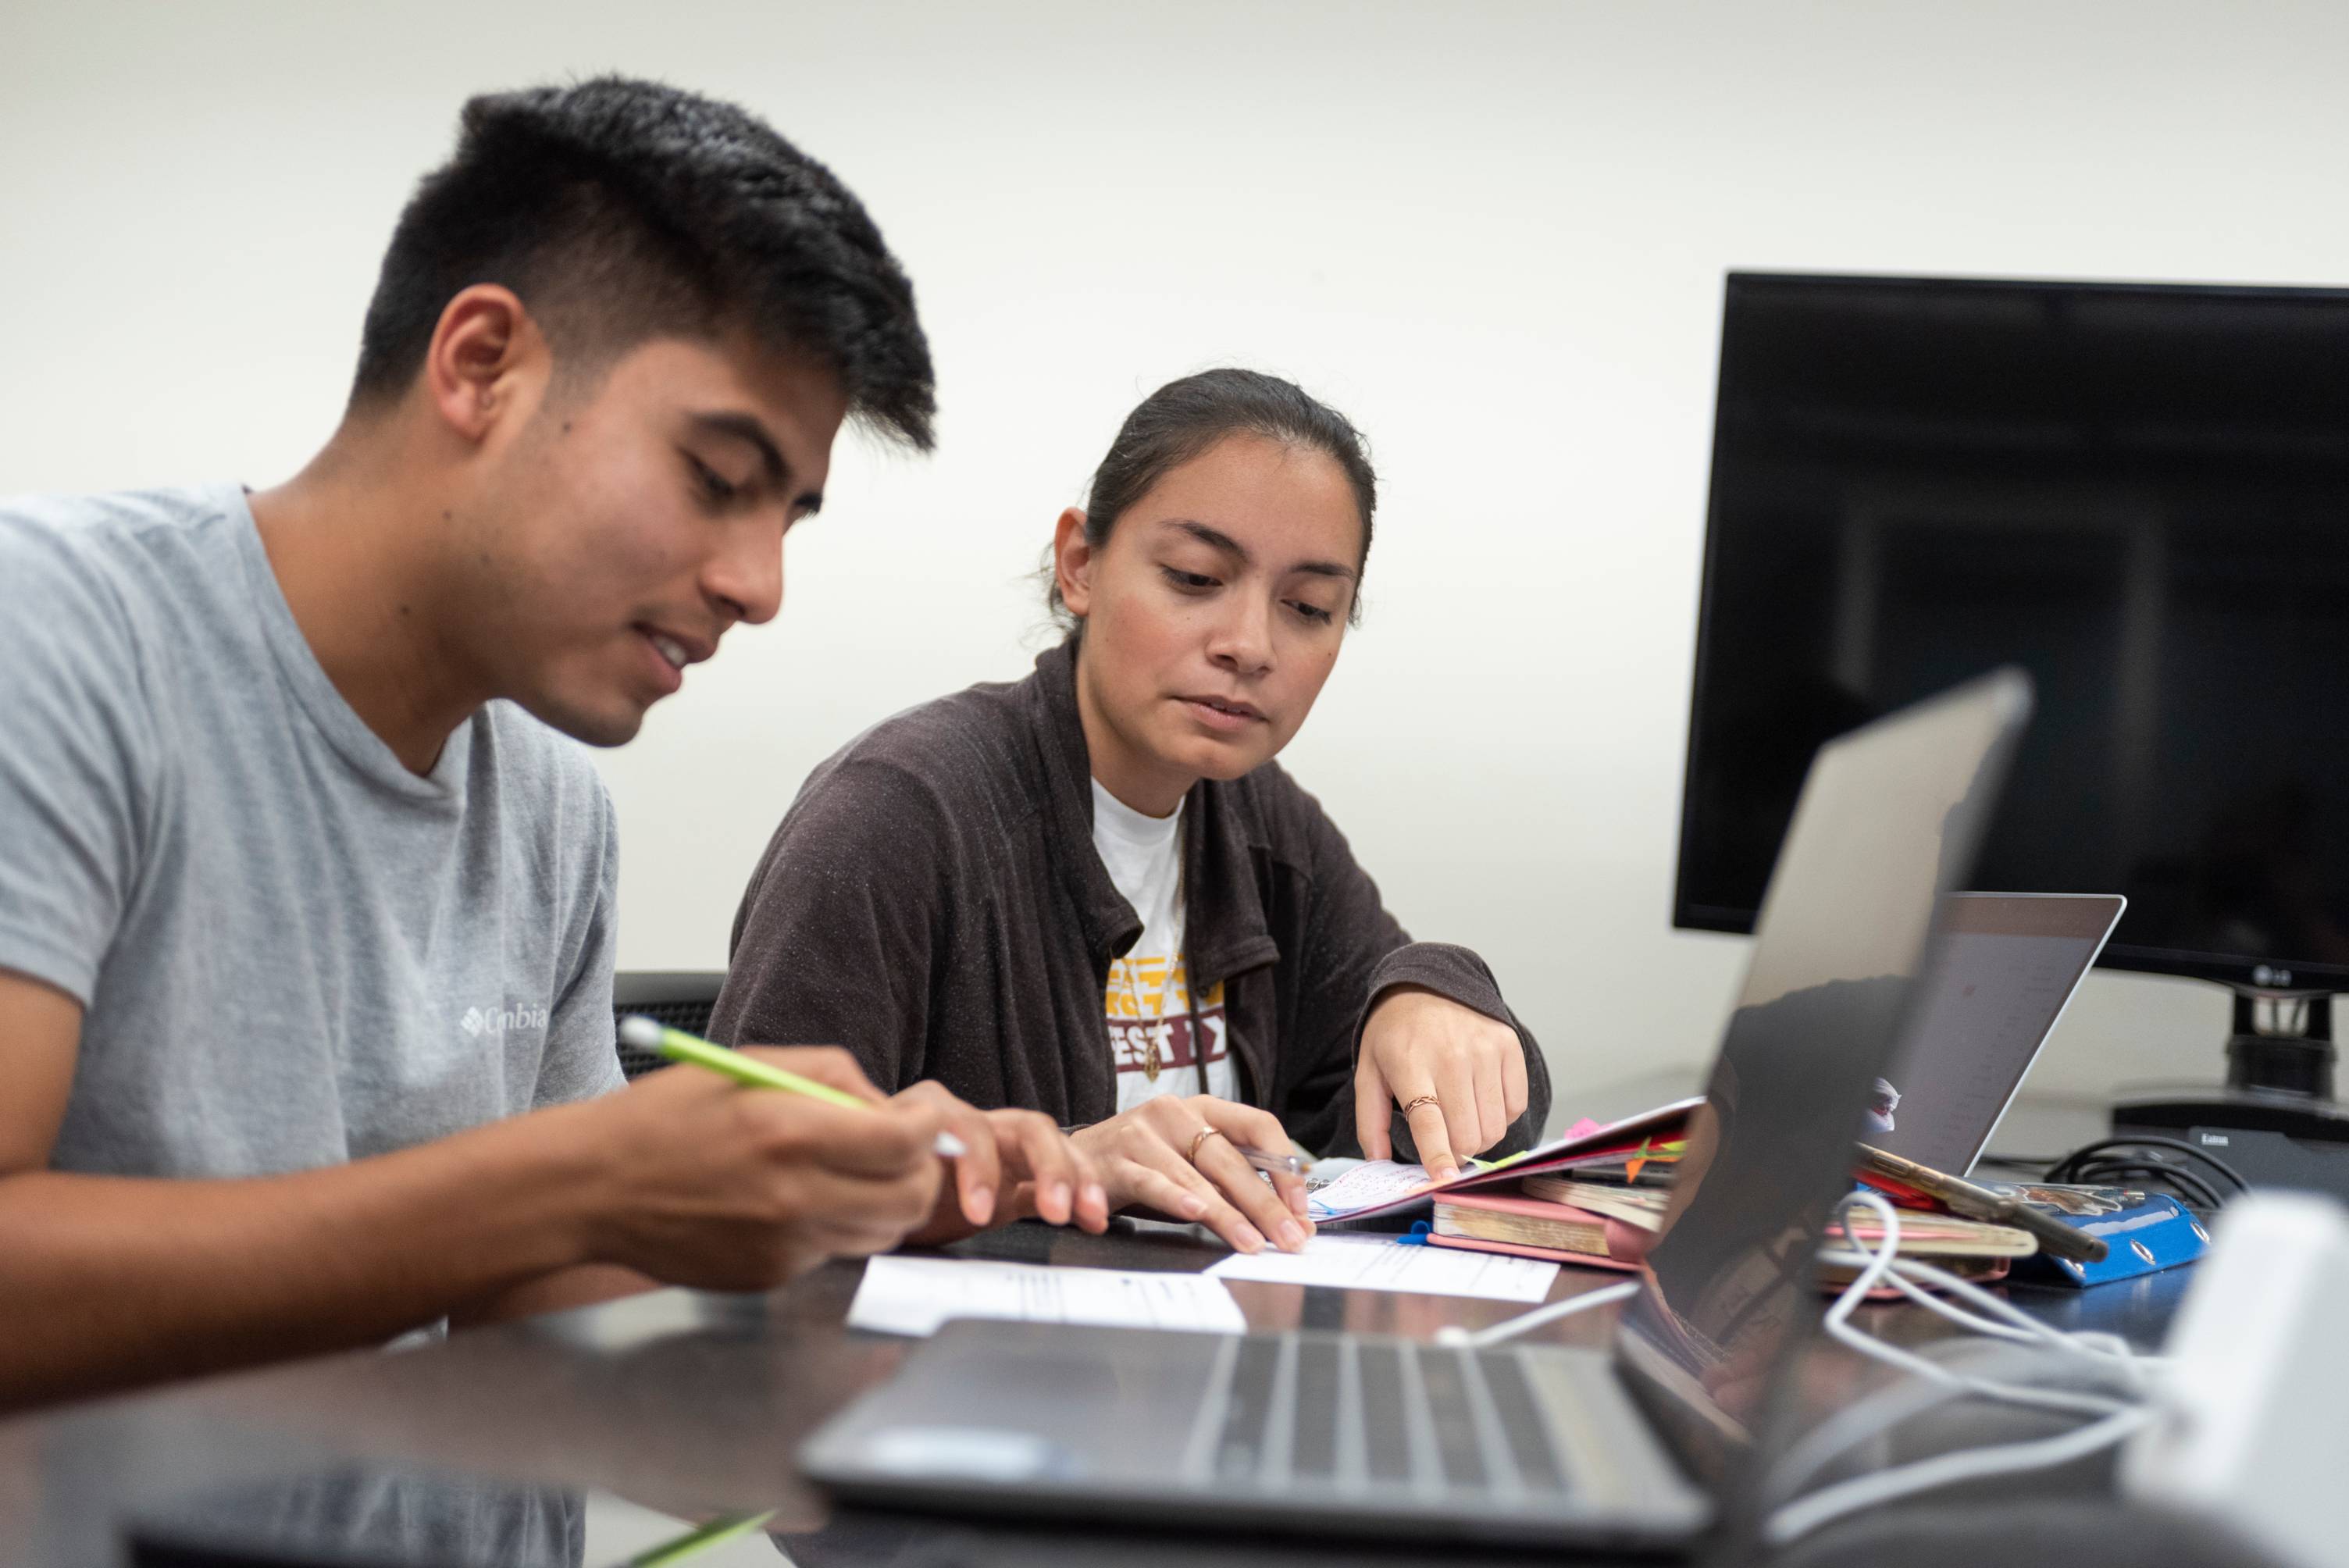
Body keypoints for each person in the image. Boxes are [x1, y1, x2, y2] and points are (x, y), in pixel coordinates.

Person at [0, 77, 1102, 1414]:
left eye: (790, 518)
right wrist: (585, 1175)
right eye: (714, 477)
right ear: (481, 365)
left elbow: (512, 1292)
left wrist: (837, 1210)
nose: (759, 585)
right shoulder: (52, 636)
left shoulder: (551, 805)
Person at [712, 369, 1552, 1258]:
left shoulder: (1263, 829)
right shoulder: (901, 812)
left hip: (1202, 1369)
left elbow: (1455, 1144)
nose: (1250, 646)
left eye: (1308, 608)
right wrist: (1054, 1166)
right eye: (1194, 578)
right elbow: (737, 1184)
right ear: (1080, 564)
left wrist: (1432, 992)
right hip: (938, 1376)